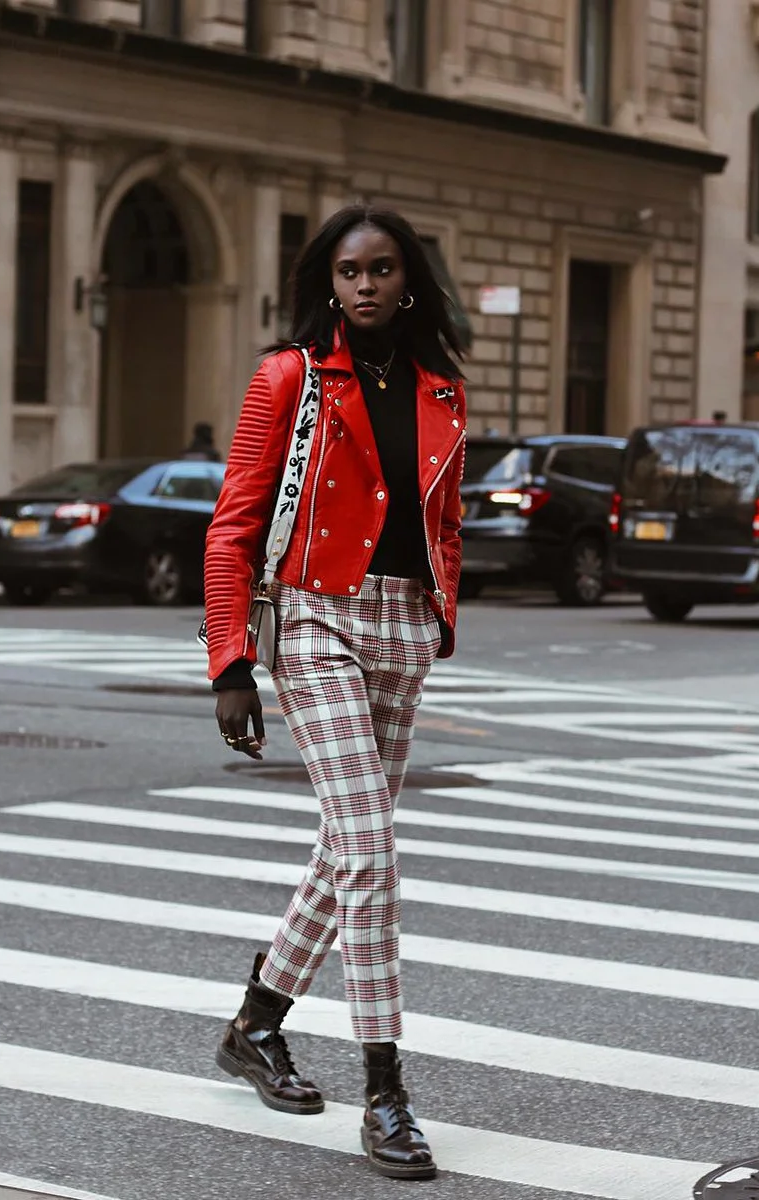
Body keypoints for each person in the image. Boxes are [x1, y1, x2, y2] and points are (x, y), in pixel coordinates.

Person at [203, 205, 466, 1181]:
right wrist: (231, 661)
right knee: (371, 847)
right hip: (314, 617)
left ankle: (255, 1024)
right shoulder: (290, 377)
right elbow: (233, 524)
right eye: (350, 270)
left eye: (383, 268)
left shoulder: (443, 390)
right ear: (329, 281)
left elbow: (444, 521)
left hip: (405, 627)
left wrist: (440, 615)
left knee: (347, 848)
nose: (365, 284)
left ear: (407, 279)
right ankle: (386, 1089)